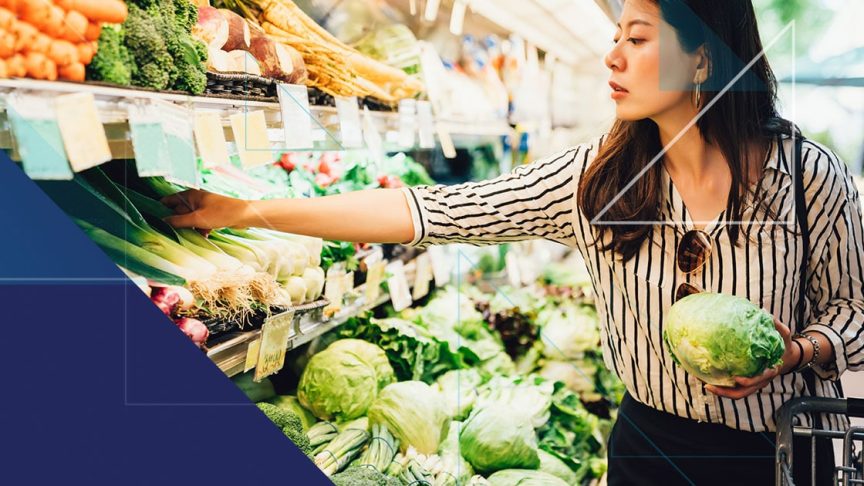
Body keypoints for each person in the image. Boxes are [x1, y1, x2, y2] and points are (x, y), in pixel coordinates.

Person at [163, 0, 864, 484]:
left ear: (702, 61)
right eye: (616, 37)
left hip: (779, 454)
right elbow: (432, 210)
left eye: (638, 39)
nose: (612, 56)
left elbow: (854, 313)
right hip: (649, 448)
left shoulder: (807, 180)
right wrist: (247, 210)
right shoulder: (595, 182)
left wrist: (798, 351)